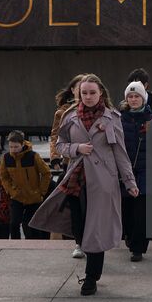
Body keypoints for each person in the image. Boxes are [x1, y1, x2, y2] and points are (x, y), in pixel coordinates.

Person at [31, 74, 139, 296]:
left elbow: (121, 152)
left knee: (95, 231)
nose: (88, 97)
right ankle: (85, 250)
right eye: (84, 93)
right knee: (80, 228)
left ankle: (91, 278)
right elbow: (60, 145)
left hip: (103, 181)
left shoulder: (112, 118)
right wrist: (77, 148)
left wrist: (129, 181)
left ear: (101, 93)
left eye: (92, 93)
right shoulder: (69, 116)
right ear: (78, 94)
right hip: (76, 179)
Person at [119, 80, 152, 260]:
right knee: (127, 210)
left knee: (143, 212)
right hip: (126, 172)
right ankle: (129, 235)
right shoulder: (119, 119)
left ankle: (138, 248)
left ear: (143, 98)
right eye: (130, 96)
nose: (133, 99)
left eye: (137, 96)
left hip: (146, 170)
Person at [47, 75, 84, 246]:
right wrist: (55, 156)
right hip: (70, 163)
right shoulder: (63, 112)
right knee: (62, 202)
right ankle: (62, 239)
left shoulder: (97, 110)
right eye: (79, 87)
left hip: (91, 163)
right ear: (73, 90)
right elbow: (55, 136)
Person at [0, 130, 50, 239]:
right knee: (13, 224)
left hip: (33, 197)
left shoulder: (33, 156)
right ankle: (15, 246)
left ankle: (32, 246)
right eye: (11, 147)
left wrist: (41, 192)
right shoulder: (6, 158)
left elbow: (46, 173)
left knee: (29, 226)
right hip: (17, 196)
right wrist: (11, 191)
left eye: (16, 147)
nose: (13, 150)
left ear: (22, 144)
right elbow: (4, 176)